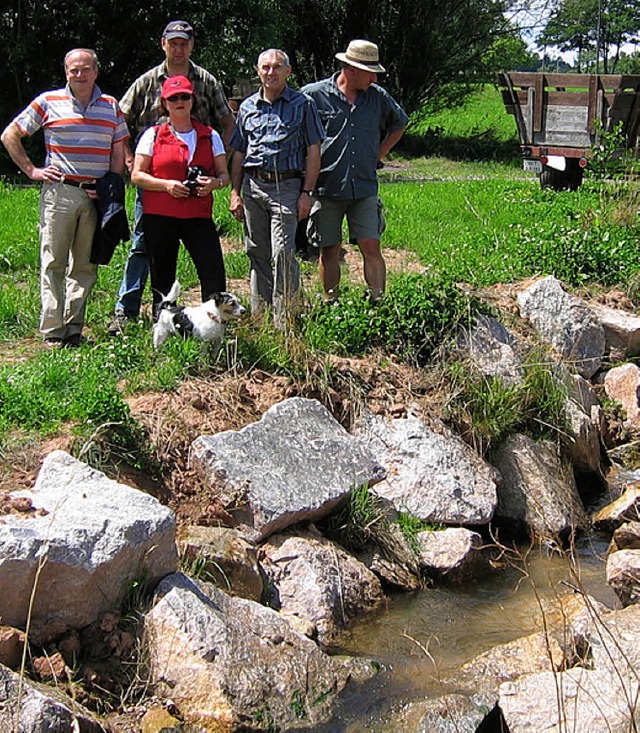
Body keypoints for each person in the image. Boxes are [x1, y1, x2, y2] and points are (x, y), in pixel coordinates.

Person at [110, 19, 234, 333]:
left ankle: (213, 323)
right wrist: (127, 157)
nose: (180, 102)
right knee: (145, 250)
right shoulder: (147, 82)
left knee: (209, 264)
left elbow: (227, 121)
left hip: (196, 201)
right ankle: (129, 312)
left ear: (191, 46)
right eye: (173, 43)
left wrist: (220, 173)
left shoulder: (206, 81)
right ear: (163, 43)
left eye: (185, 43)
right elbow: (118, 118)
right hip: (155, 190)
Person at [1, 48, 128, 348]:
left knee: (85, 266)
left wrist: (110, 185)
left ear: (96, 71)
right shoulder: (48, 102)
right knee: (53, 263)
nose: (79, 75)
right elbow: (10, 135)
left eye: (85, 69)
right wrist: (32, 170)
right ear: (66, 72)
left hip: (95, 197)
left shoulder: (111, 106)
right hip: (60, 193)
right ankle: (53, 331)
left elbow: (118, 150)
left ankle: (74, 329)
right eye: (74, 70)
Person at [302, 39, 408, 302]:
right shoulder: (314, 95)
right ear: (350, 69)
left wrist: (378, 155)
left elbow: (400, 123)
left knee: (371, 245)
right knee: (330, 249)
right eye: (370, 72)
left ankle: (378, 302)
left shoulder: (378, 97)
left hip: (363, 186)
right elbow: (295, 122)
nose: (374, 78)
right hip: (327, 187)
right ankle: (331, 303)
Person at [229, 49, 324, 320]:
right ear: (258, 71)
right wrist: (235, 192)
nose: (270, 72)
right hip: (254, 186)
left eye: (277, 67)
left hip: (287, 187)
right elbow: (238, 152)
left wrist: (307, 192)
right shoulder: (247, 107)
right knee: (257, 253)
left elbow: (314, 150)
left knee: (283, 253)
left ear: (288, 71)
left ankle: (287, 321)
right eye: (265, 67)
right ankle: (261, 317)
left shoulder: (303, 104)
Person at [131, 75, 229, 316]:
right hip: (160, 216)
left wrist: (213, 183)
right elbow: (137, 175)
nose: (179, 101)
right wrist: (166, 185)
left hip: (198, 216)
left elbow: (225, 176)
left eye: (184, 96)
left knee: (213, 271)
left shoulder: (210, 135)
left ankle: (214, 323)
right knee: (162, 277)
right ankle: (164, 328)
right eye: (173, 98)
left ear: (192, 100)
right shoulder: (153, 135)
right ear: (164, 103)